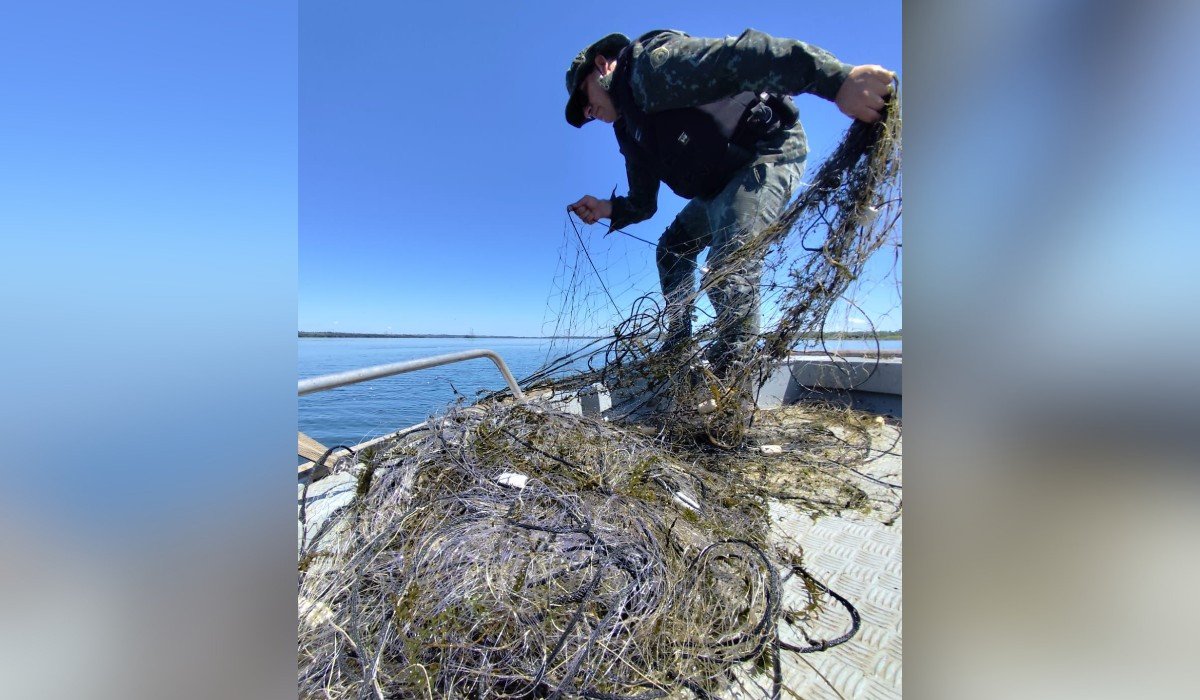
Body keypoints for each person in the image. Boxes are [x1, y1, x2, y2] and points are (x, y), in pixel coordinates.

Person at [565, 29, 893, 375]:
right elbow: (643, 203)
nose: (589, 113)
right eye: (584, 115)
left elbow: (742, 57)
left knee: (727, 267)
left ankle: (733, 379)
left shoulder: (651, 68)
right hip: (716, 189)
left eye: (585, 100)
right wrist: (606, 208)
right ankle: (677, 341)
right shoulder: (629, 130)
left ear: (602, 65)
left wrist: (837, 80)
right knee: (671, 250)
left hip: (764, 153)